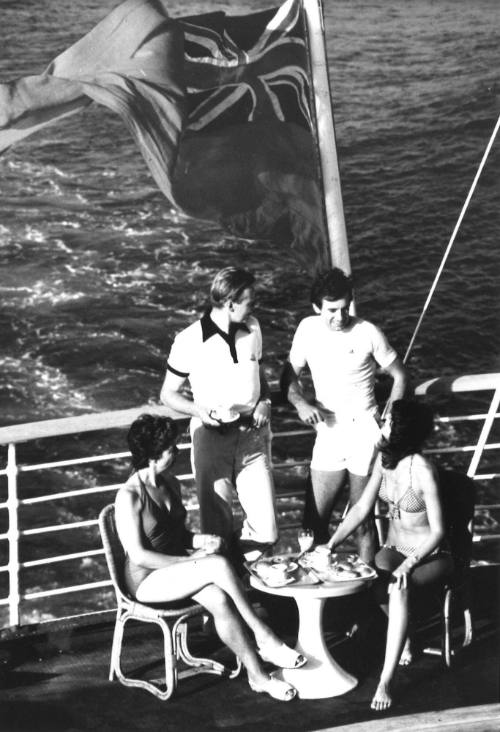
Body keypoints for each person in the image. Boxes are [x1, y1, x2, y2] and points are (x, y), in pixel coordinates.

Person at [115, 414, 306, 702]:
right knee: (216, 565)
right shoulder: (129, 496)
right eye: (170, 448)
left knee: (217, 597)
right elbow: (139, 555)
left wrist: (198, 541)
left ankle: (258, 676)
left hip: (172, 572)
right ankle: (263, 635)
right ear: (152, 455)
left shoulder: (170, 483)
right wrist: (190, 562)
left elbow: (176, 535)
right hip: (144, 581)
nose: (177, 451)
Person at [325, 399, 453, 710]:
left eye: (388, 421)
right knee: (369, 577)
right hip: (394, 550)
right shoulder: (386, 461)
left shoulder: (424, 470)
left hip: (430, 555)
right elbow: (360, 509)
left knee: (398, 588)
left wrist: (409, 566)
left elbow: (438, 531)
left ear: (402, 430)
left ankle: (386, 680)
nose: (382, 424)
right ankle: (405, 634)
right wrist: (330, 544)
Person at [282, 268, 408, 562]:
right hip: (329, 432)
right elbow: (289, 376)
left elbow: (400, 376)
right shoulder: (307, 329)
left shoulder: (368, 332)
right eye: (331, 310)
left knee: (363, 523)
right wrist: (301, 403)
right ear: (317, 308)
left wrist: (388, 420)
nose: (340, 317)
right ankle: (325, 589)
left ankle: (366, 598)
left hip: (366, 433)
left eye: (344, 308)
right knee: (313, 524)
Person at [160, 267, 277, 563]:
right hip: (212, 442)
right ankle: (232, 594)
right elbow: (168, 394)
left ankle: (235, 565)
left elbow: (259, 375)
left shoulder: (252, 328)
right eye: (250, 301)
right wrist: (199, 410)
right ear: (230, 303)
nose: (254, 307)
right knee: (217, 533)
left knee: (267, 532)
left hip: (252, 440)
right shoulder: (189, 340)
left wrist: (265, 400)